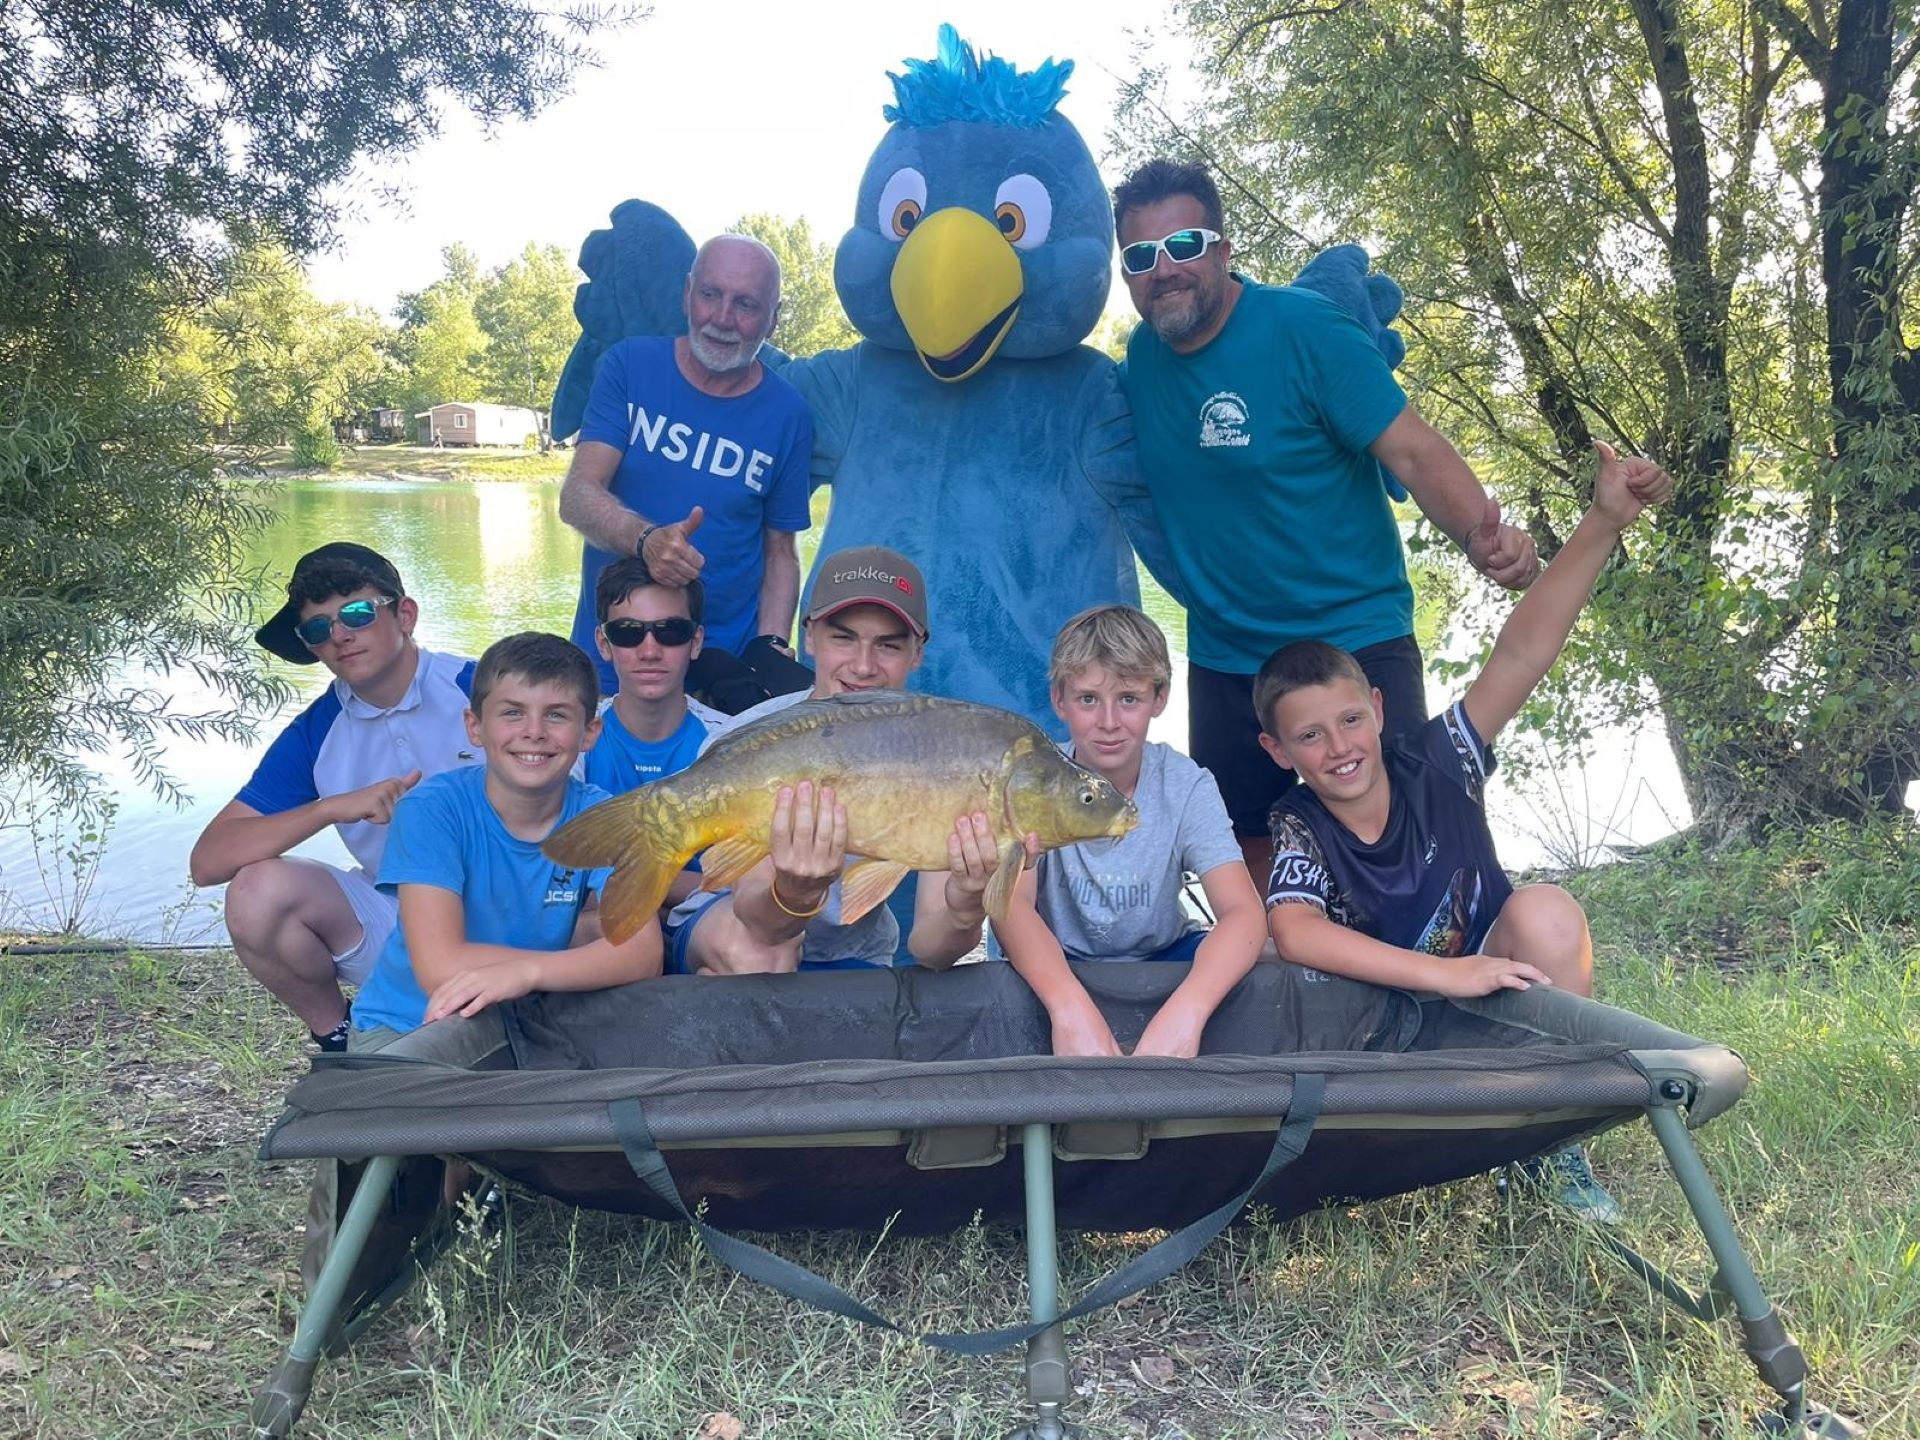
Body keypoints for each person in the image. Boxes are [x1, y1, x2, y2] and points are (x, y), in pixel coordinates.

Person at [1258, 442, 1672, 1222]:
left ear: (1379, 710)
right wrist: (1447, 977)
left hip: (1497, 997)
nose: (1340, 747)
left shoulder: (1441, 756)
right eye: (1310, 737)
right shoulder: (1299, 823)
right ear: (1278, 753)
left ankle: (1549, 1140)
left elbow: (1524, 650)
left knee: (1549, 910)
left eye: (1350, 720)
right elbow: (1296, 932)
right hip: (1389, 1026)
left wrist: (1606, 519)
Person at [1111, 158, 1542, 886]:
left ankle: (1442, 988)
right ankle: (1291, 993)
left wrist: (1480, 535)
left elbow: (1410, 447)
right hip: (1230, 658)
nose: (1165, 270)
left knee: (1411, 848)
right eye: (1141, 256)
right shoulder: (1141, 364)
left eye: (1183, 246)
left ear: (1222, 248)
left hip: (1355, 643)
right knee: (1242, 857)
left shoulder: (1306, 330)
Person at [674, 546, 1024, 976]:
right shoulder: (751, 737)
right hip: (741, 927)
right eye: (843, 638)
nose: (862, 666)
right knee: (764, 956)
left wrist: (966, 906)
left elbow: (932, 952)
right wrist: (796, 894)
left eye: (888, 646)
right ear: (809, 637)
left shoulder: (946, 748)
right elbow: (760, 921)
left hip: (854, 949)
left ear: (917, 653)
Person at [189, 543, 479, 1052]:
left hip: (523, 909)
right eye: (318, 629)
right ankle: (338, 1037)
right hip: (399, 921)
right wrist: (329, 808)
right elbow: (208, 862)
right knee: (257, 891)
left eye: (358, 613)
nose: (341, 635)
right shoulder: (318, 730)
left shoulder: (479, 687)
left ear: (405, 614)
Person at [348, 632, 662, 1049]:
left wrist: (527, 975)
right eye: (512, 713)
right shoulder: (432, 810)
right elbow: (441, 966)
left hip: (522, 1015)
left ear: (590, 732)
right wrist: (561, 969)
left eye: (557, 715)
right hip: (409, 1023)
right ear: (474, 726)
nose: (533, 732)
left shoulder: (605, 818)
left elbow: (643, 953)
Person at [992, 605, 1267, 1058]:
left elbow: (1243, 912)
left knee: (1250, 966)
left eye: (1129, 699)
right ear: (1059, 700)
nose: (1108, 722)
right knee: (1010, 982)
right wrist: (1068, 1006)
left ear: (1159, 699)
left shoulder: (1186, 785)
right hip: (1061, 957)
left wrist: (1188, 1010)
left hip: (1163, 957)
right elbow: (1011, 906)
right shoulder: (1032, 782)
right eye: (1087, 700)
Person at [558, 233, 814, 709]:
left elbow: (781, 551)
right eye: (710, 295)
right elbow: (577, 495)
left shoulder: (789, 413)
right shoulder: (630, 366)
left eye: (746, 304)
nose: (722, 319)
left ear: (773, 320)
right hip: (615, 658)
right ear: (686, 294)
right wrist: (645, 540)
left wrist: (772, 648)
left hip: (722, 676)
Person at [586, 557, 734, 912]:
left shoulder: (732, 741)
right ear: (604, 643)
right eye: (627, 632)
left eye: (670, 631)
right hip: (600, 926)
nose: (649, 651)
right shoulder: (570, 741)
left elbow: (747, 884)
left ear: (695, 642)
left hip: (704, 924)